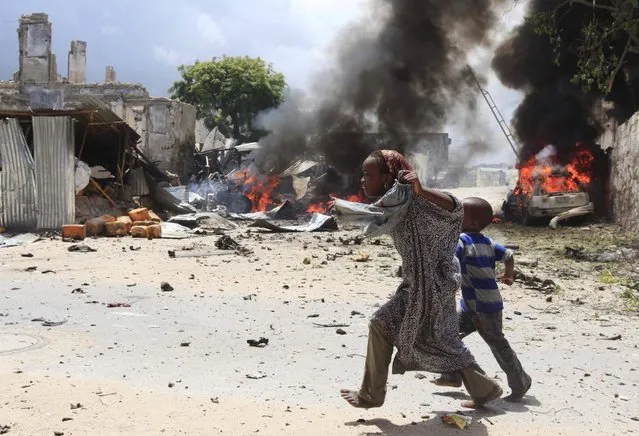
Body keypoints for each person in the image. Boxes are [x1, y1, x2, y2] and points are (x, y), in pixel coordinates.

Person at [339, 150, 503, 410]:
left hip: (435, 284)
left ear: (387, 176)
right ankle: (485, 388)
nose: (363, 180)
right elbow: (372, 218)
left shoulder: (419, 199)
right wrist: (342, 210)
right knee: (438, 338)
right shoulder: (396, 205)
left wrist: (421, 189)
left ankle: (371, 395)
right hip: (418, 285)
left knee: (393, 327)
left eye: (368, 174)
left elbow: (455, 207)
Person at [431, 197, 532, 402]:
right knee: (448, 335)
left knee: (498, 345)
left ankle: (521, 382)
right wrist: (509, 275)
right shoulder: (488, 242)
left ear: (472, 223)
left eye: (459, 215)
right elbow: (509, 255)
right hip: (475, 306)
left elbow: (451, 259)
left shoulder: (463, 241)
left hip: (483, 308)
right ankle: (451, 375)